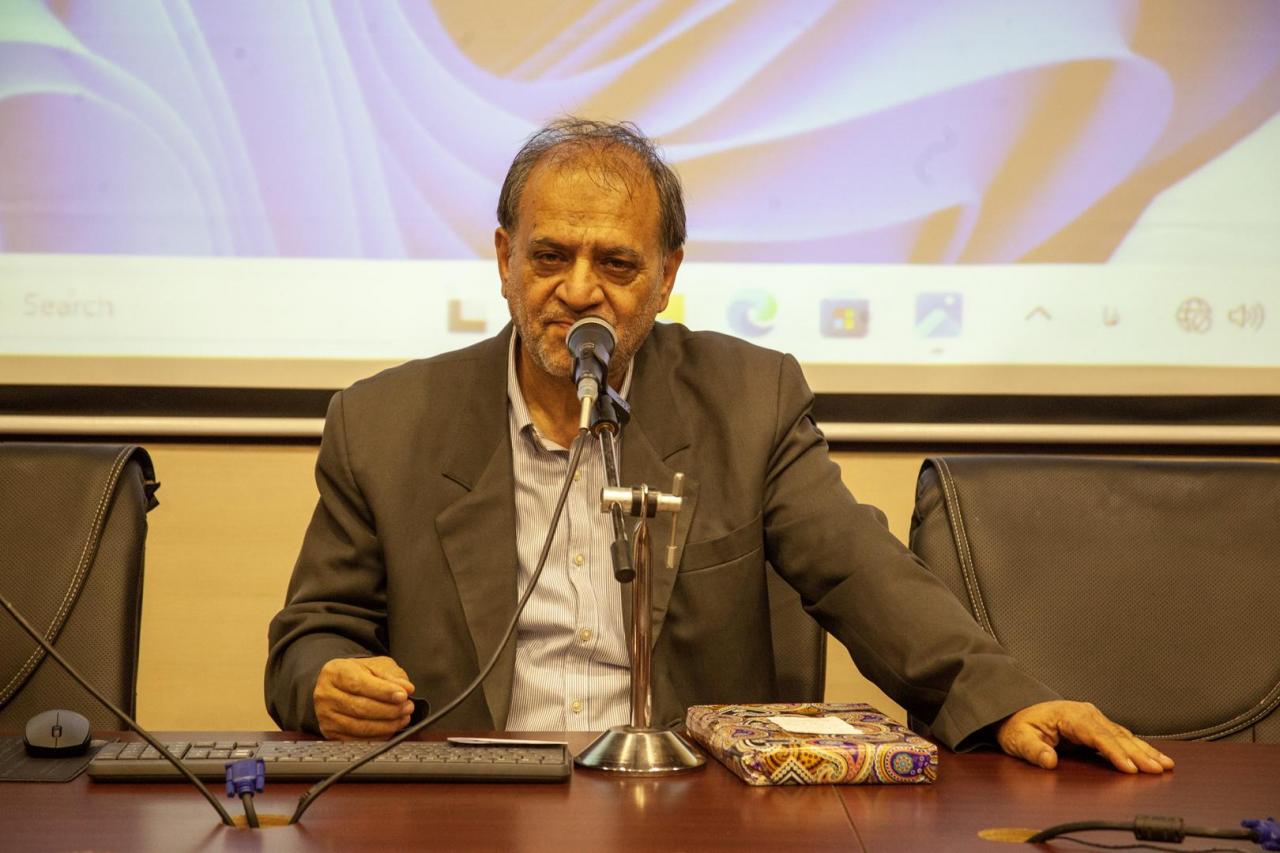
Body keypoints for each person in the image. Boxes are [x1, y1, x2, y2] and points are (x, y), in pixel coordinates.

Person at [266, 117, 1173, 775]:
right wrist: (325, 681)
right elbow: (309, 636)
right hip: (470, 807)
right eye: (549, 256)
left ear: (666, 276)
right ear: (504, 259)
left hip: (689, 803)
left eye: (616, 263)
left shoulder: (749, 400)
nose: (578, 290)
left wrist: (1008, 696)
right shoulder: (383, 423)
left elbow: (861, 573)